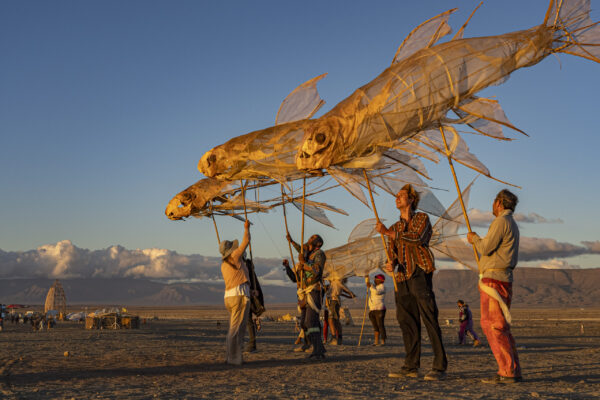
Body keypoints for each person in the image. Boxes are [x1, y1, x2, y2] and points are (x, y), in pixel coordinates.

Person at [376, 184, 447, 381]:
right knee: (406, 321)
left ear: (411, 200)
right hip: (402, 278)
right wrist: (390, 263)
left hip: (419, 272)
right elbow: (393, 253)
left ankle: (439, 366)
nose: (397, 198)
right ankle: (411, 365)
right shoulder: (395, 227)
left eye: (401, 196)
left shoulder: (422, 219)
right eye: (396, 196)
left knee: (429, 317)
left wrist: (389, 234)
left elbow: (417, 238)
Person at [467, 189, 522, 384]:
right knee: (499, 325)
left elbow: (486, 247)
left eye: (493, 201)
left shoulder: (501, 222)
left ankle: (507, 371)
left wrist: (474, 239)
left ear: (499, 203)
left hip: (495, 279)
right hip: (502, 278)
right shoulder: (512, 223)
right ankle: (511, 368)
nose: (492, 205)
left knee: (494, 325)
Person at [282, 233, 327, 360]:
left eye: (313, 237)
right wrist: (288, 267)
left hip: (314, 290)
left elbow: (317, 270)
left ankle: (318, 351)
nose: (310, 238)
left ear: (318, 243)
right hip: (304, 292)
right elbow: (294, 279)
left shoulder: (320, 254)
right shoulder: (307, 256)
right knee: (304, 323)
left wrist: (304, 263)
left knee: (310, 321)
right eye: (310, 236)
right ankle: (315, 346)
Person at [220, 220, 251, 366]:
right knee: (236, 329)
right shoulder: (235, 257)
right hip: (239, 296)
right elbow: (246, 241)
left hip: (230, 297)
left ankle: (234, 356)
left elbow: (240, 276)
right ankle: (233, 359)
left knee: (236, 328)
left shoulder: (225, 264)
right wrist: (246, 228)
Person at [244, 254, 264, 353]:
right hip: (238, 295)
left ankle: (252, 344)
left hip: (247, 295)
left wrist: (254, 290)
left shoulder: (247, 266)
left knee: (248, 321)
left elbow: (252, 280)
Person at [328, 278, 355, 345]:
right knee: (336, 320)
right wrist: (349, 294)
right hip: (333, 301)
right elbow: (343, 289)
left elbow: (343, 288)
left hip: (334, 301)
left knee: (331, 319)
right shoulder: (335, 283)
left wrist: (350, 293)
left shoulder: (337, 281)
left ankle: (334, 338)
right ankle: (339, 337)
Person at [367, 274, 387, 346]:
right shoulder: (374, 287)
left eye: (376, 279)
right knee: (375, 326)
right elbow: (372, 288)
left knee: (380, 325)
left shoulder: (382, 287)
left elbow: (376, 292)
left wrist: (370, 287)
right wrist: (367, 281)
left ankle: (383, 341)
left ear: (380, 280)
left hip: (379, 309)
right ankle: (376, 342)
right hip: (372, 309)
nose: (374, 280)